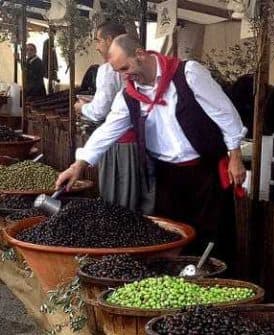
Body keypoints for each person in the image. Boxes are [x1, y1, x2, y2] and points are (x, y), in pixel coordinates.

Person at [57, 34, 247, 265]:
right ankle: (177, 282)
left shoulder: (188, 73)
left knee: (212, 234)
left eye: (125, 67)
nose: (124, 75)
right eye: (119, 71)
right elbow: (108, 131)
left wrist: (235, 155)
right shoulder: (129, 94)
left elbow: (225, 113)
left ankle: (218, 283)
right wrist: (80, 164)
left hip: (204, 172)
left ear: (140, 54)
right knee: (172, 234)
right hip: (166, 174)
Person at [59, 23, 154, 213]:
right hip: (139, 141)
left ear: (110, 40)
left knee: (118, 196)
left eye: (98, 40)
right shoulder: (137, 68)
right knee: (135, 192)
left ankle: (123, 226)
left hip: (119, 143)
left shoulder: (108, 70)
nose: (97, 46)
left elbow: (101, 111)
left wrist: (83, 107)